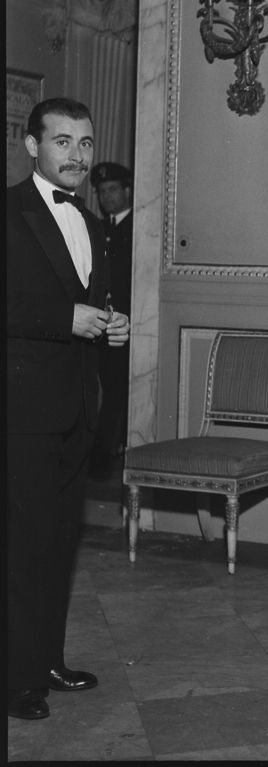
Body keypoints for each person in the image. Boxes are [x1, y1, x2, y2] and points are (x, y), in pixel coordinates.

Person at [7, 97, 130, 722]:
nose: (78, 155)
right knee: (21, 546)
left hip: (78, 408)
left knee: (58, 543)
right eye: (62, 142)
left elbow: (87, 298)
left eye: (85, 143)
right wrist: (65, 320)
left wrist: (110, 322)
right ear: (33, 146)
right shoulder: (8, 212)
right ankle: (17, 678)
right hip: (22, 411)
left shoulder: (89, 219)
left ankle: (47, 661)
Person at [89, 162, 133, 467]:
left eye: (113, 190)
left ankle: (106, 451)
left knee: (119, 387)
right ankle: (103, 448)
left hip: (127, 324)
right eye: (102, 191)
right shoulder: (97, 227)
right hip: (99, 323)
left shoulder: (138, 227)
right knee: (101, 384)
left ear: (127, 191)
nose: (107, 197)